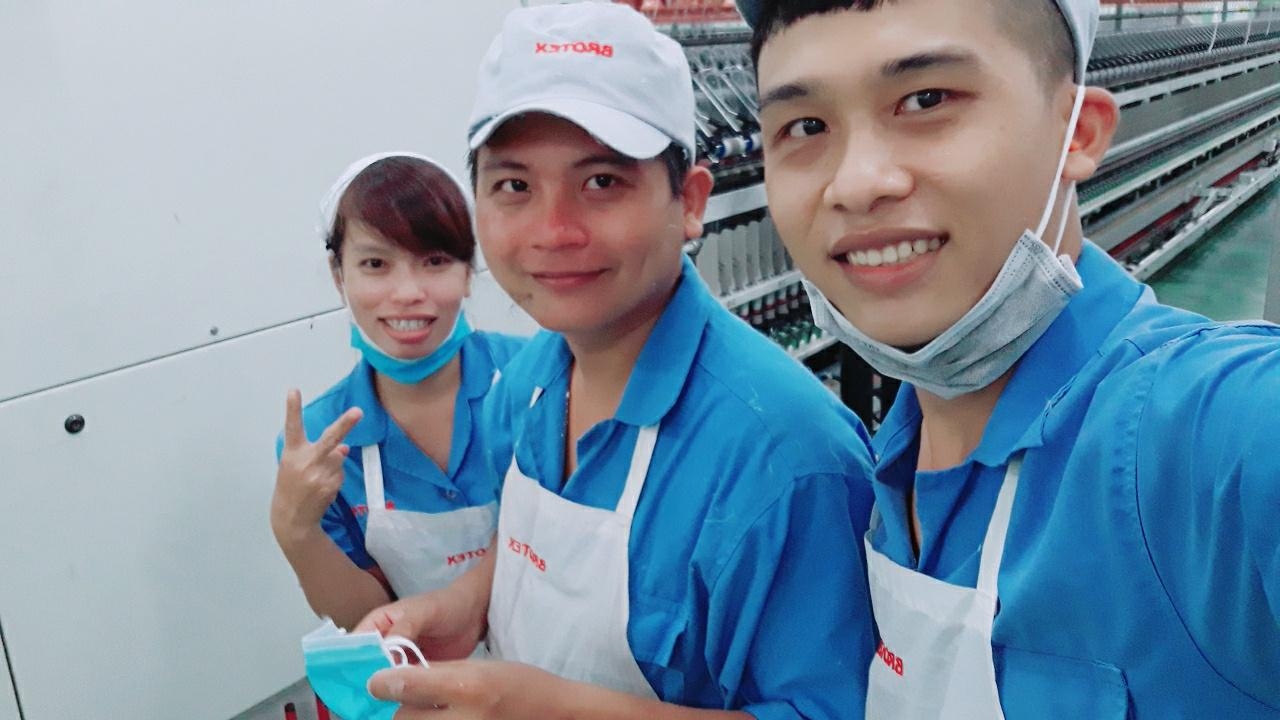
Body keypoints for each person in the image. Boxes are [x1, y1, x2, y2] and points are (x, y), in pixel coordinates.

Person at [742, 0, 1280, 716]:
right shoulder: (881, 469)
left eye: (926, 99)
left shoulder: (1207, 434)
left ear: (1077, 132)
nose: (857, 183)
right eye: (806, 127)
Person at [361, 4, 878, 719]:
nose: (553, 232)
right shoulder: (530, 382)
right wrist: (464, 604)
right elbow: (533, 554)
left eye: (602, 181)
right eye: (514, 186)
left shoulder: (787, 461)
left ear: (689, 201)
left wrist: (551, 711)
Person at [271, 153, 524, 631]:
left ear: (468, 272)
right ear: (339, 276)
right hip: (429, 672)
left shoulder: (538, 379)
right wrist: (295, 531)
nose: (407, 292)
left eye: (435, 261)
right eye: (375, 264)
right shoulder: (319, 443)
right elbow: (366, 619)